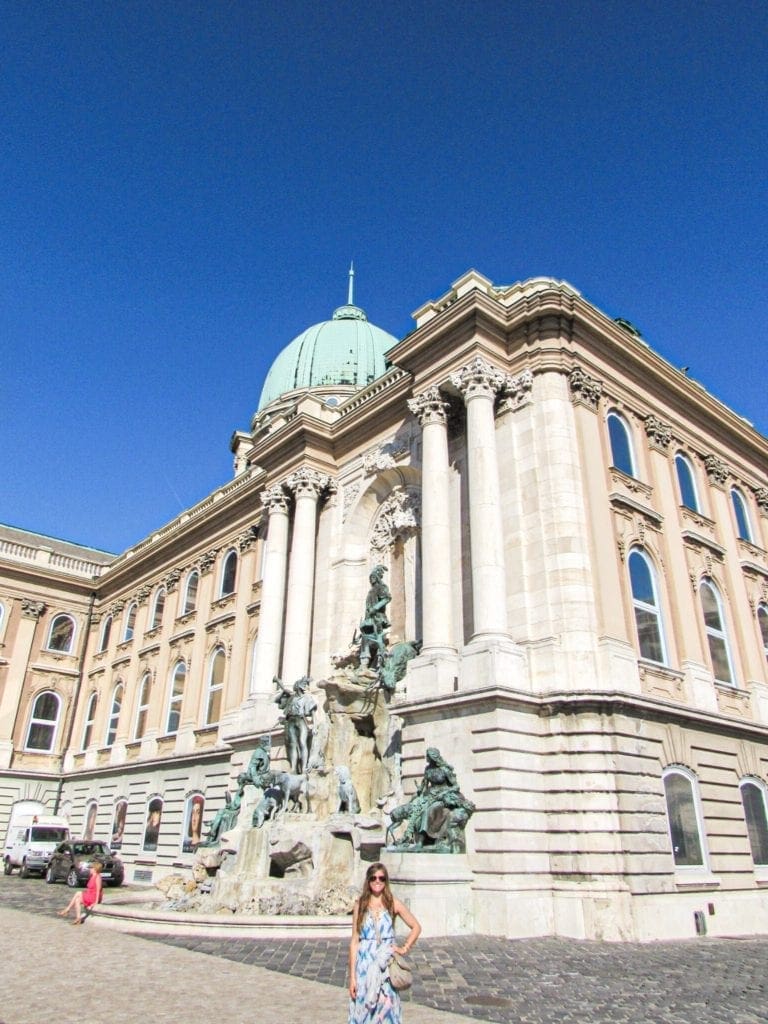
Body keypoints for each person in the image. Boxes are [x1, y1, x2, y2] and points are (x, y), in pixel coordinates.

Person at [348, 862, 421, 1024]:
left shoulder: (392, 903)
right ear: (368, 881)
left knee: (386, 1009)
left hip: (385, 966)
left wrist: (404, 948)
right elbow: (354, 941)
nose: (377, 881)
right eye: (373, 878)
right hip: (364, 966)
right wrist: (352, 977)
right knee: (364, 1010)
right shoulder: (360, 905)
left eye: (381, 878)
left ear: (386, 880)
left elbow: (416, 927)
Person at [58, 860, 103, 925]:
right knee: (77, 900)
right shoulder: (92, 876)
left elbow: (98, 890)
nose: (90, 869)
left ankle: (67, 909)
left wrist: (96, 902)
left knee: (78, 892)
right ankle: (78, 918)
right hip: (89, 895)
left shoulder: (97, 877)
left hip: (93, 897)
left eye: (91, 868)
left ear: (95, 869)